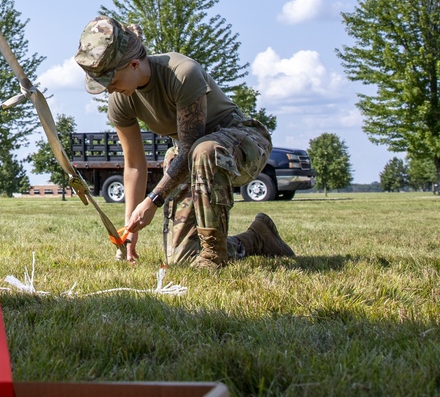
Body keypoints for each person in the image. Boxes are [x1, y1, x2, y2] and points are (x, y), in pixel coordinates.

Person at [73, 16, 295, 269]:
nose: (109, 90)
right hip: (192, 160)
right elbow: (134, 165)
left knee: (204, 150)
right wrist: (130, 228)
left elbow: (190, 148)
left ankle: (214, 256)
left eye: (111, 81)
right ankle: (257, 239)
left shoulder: (182, 73)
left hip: (243, 145)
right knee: (182, 257)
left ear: (134, 64)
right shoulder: (121, 100)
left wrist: (153, 201)